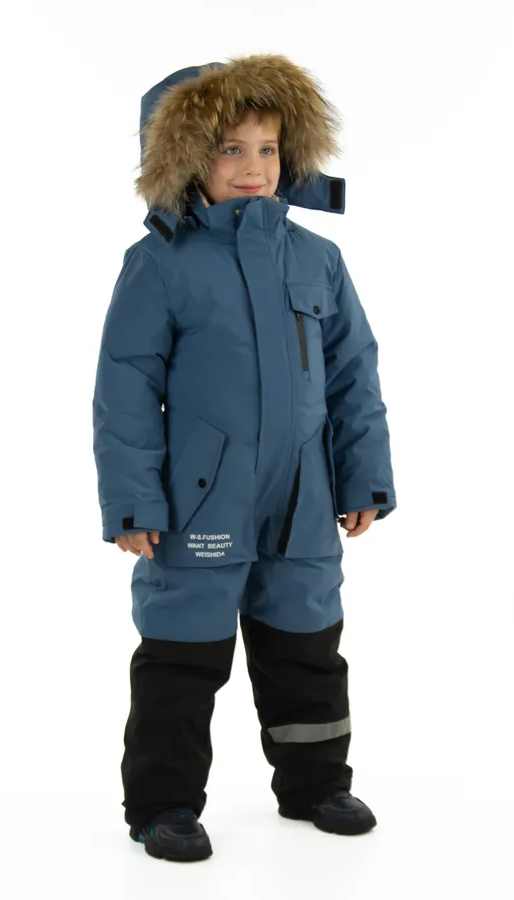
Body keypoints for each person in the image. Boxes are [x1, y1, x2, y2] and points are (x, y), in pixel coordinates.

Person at [92, 53, 397, 863]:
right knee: (183, 654)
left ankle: (315, 784)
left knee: (307, 643)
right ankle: (162, 803)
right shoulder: (161, 263)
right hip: (199, 498)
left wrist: (363, 476)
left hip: (303, 496)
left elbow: (353, 374)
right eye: (230, 150)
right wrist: (133, 502)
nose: (254, 167)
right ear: (187, 157)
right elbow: (125, 388)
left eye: (268, 148)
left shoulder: (317, 259)